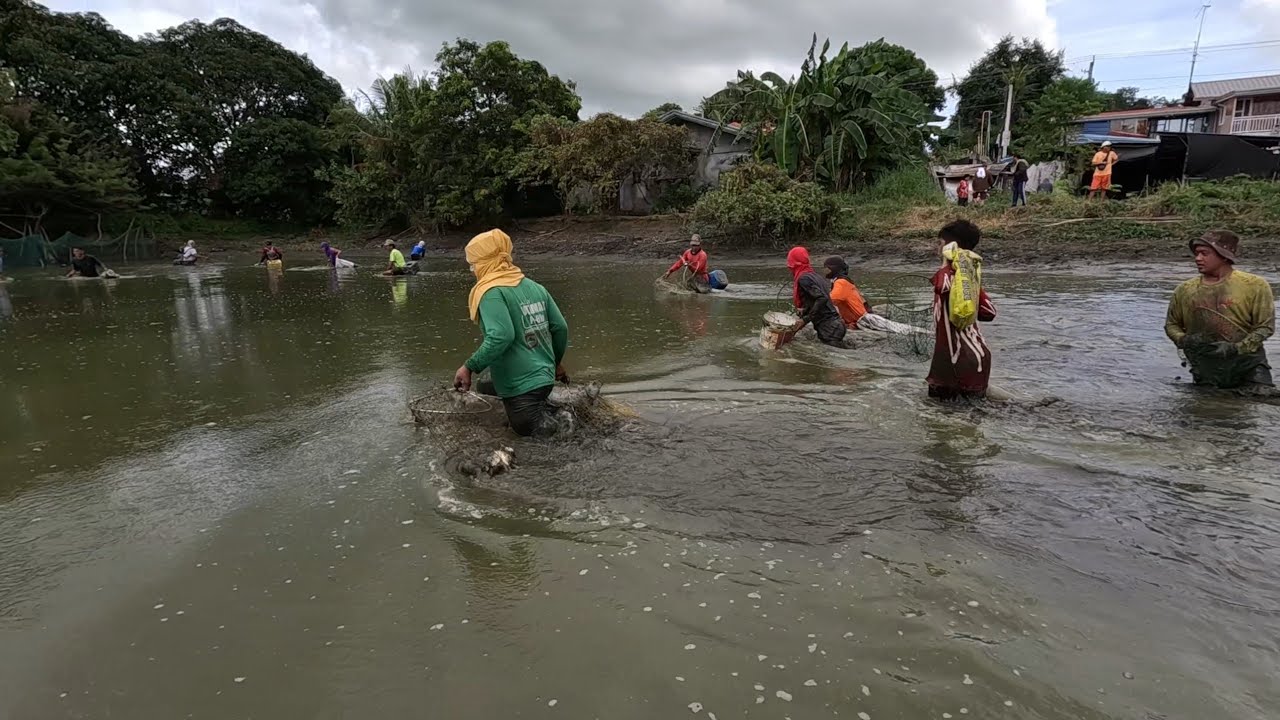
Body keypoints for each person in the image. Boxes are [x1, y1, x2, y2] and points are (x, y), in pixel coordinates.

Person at [453, 229, 571, 437]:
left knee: (529, 431)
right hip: (544, 379)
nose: (473, 271)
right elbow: (560, 327)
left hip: (523, 387)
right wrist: (556, 363)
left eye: (473, 264)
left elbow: (501, 336)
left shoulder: (490, 292)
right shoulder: (534, 286)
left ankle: (554, 422)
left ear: (485, 263)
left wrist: (469, 367)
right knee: (485, 385)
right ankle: (548, 410)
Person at [1164, 230, 1275, 393]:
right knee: (1208, 404)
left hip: (1248, 364)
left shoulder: (1254, 285)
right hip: (1206, 366)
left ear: (1223, 256)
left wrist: (1236, 348)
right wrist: (1183, 340)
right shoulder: (1185, 290)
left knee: (1261, 399)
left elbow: (1265, 327)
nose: (1198, 258)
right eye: (1196, 254)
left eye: (1204, 253)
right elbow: (1172, 324)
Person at [928, 220, 997, 400]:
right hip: (979, 358)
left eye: (940, 243)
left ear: (950, 246)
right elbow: (989, 312)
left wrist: (946, 261)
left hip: (954, 363)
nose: (937, 248)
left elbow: (941, 287)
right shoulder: (968, 280)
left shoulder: (948, 274)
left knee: (940, 415)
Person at [787, 246, 846, 347]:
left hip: (829, 329)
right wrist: (805, 311)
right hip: (836, 325)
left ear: (794, 264)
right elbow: (816, 300)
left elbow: (822, 298)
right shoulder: (815, 276)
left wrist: (804, 320)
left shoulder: (804, 279)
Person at [822, 256, 869, 328]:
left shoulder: (841, 282)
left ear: (834, 268)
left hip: (858, 320)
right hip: (858, 318)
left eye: (827, 268)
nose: (824, 271)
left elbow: (832, 300)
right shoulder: (843, 280)